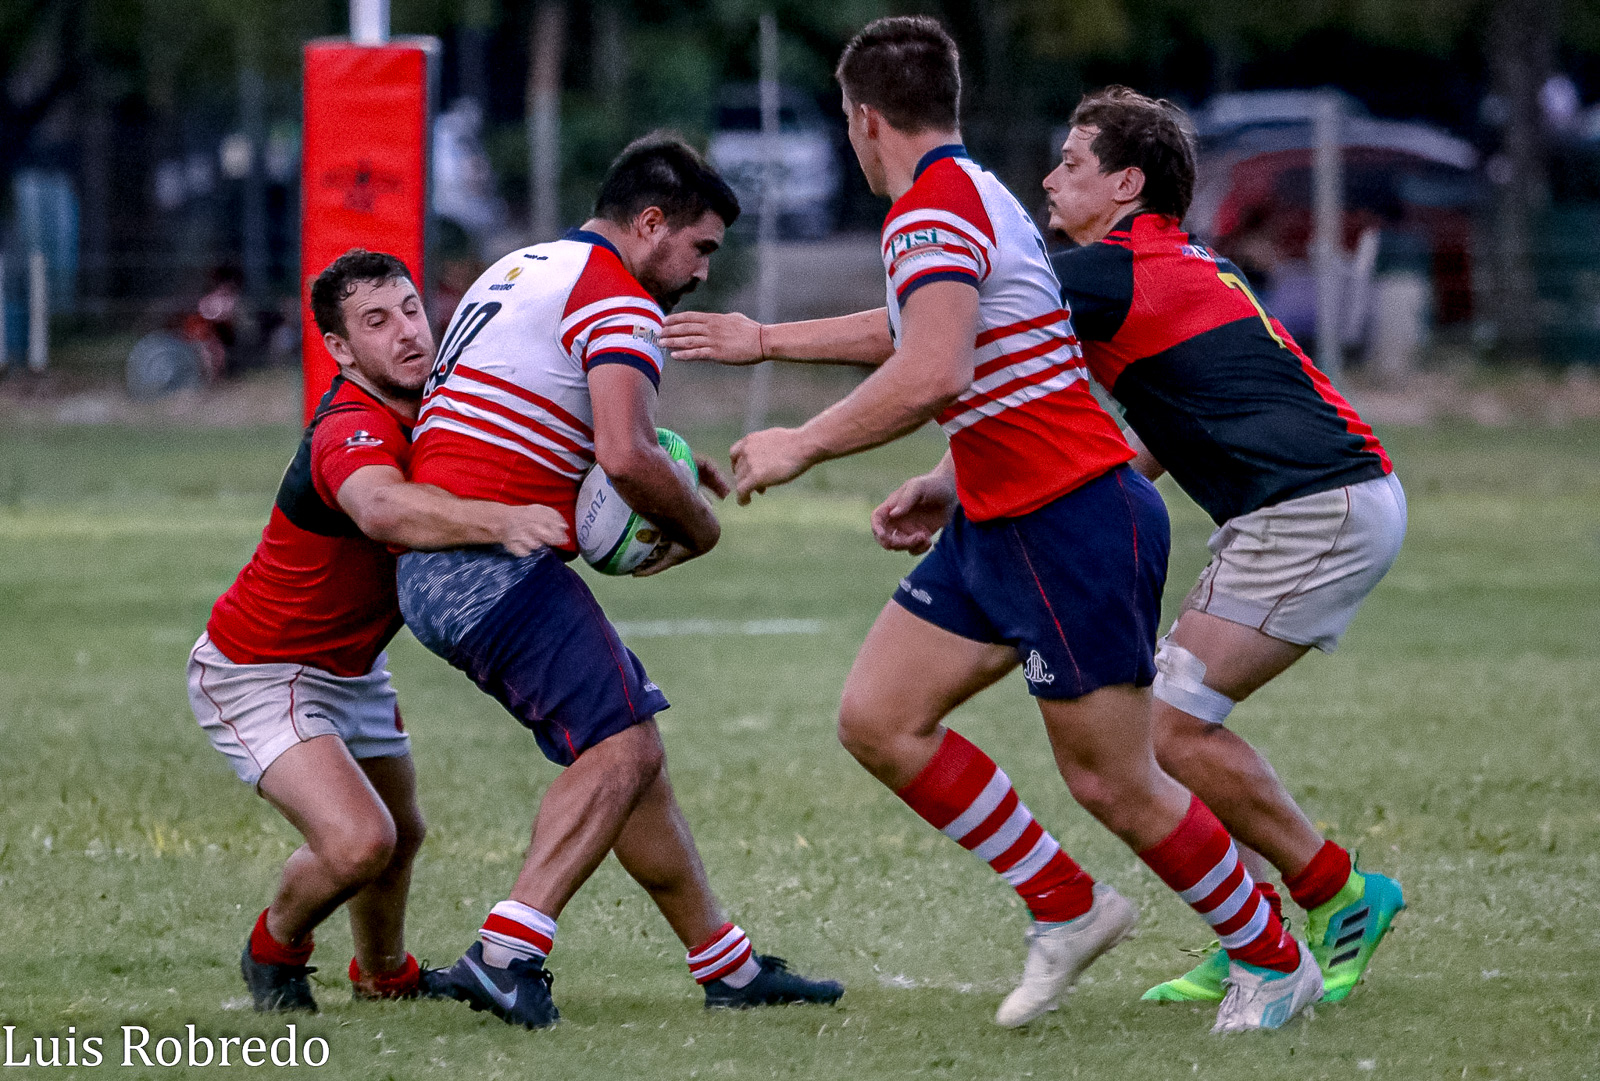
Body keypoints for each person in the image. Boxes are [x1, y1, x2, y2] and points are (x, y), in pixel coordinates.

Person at [662, 18, 1320, 1034]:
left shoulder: (930, 212)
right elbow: (923, 324)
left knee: (1113, 778)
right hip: (1001, 516)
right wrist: (762, 341)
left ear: (862, 117)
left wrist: (802, 443)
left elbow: (933, 367)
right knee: (880, 718)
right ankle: (1066, 904)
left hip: (1072, 518)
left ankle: (1274, 961)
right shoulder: (970, 194)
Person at [398, 133, 843, 1030]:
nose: (704, 273)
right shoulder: (620, 297)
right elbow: (626, 455)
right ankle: (506, 951)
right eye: (701, 247)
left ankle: (729, 966)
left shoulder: (523, 264)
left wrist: (668, 477)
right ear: (649, 224)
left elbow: (544, 424)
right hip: (491, 560)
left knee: (635, 764)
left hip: (435, 554)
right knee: (623, 748)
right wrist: (696, 523)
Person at [1038, 87, 1406, 1005]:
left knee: (1169, 727)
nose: (1050, 179)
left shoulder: (1110, 271)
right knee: (1167, 726)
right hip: (1305, 505)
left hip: (1316, 505)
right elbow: (1176, 419)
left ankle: (1336, 898)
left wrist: (763, 340)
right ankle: (1262, 938)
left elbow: (944, 333)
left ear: (1126, 183)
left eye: (1071, 163)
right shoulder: (1176, 264)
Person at [186, 249, 569, 1012]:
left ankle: (385, 975)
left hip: (351, 669)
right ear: (338, 347)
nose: (405, 333)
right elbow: (384, 511)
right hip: (259, 671)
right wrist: (506, 519)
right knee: (361, 842)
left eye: (409, 310)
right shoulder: (347, 427)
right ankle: (275, 951)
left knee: (402, 832)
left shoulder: (440, 404)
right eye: (375, 321)